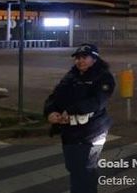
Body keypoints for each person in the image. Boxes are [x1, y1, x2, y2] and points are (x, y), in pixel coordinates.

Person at [44, 43, 115, 193]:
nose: (80, 61)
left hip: (92, 131)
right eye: (77, 58)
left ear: (94, 59)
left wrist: (70, 110)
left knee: (86, 169)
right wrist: (50, 111)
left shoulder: (104, 77)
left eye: (84, 57)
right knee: (74, 168)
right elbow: (55, 96)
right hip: (70, 131)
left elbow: (97, 102)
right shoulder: (71, 76)